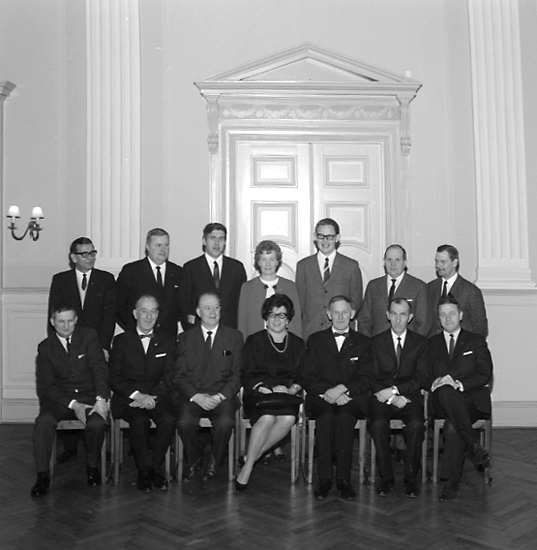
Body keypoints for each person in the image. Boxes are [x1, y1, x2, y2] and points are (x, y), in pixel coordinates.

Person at [47, 237, 115, 463]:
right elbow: (54, 315)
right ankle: (70, 448)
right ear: (73, 257)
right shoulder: (61, 280)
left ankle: (98, 447)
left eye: (92, 253)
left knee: (95, 388)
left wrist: (103, 346)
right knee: (69, 387)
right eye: (84, 254)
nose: (89, 257)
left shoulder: (106, 279)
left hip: (96, 346)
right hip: (68, 344)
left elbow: (109, 317)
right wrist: (58, 347)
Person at [31, 305, 109, 497]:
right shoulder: (45, 347)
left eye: (70, 321)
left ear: (76, 320)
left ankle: (92, 467)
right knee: (43, 422)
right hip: (60, 401)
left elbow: (99, 369)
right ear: (52, 322)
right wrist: (74, 405)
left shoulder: (89, 336)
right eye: (61, 321)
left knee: (97, 423)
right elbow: (46, 387)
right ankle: (42, 475)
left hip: (88, 396)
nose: (66, 326)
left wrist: (101, 398)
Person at [303, 295, 373, 501]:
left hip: (351, 399)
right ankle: (324, 479)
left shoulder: (364, 342)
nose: (340, 317)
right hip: (322, 397)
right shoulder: (315, 340)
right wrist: (329, 392)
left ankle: (344, 479)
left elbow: (367, 378)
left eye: (345, 312)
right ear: (329, 314)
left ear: (352, 314)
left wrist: (343, 390)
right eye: (336, 312)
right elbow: (308, 376)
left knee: (344, 418)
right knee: (325, 417)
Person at [235, 294, 305, 492]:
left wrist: (292, 389)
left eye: (282, 315)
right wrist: (263, 388)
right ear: (266, 318)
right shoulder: (254, 341)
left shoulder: (298, 344)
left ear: (288, 319)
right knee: (266, 418)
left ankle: (250, 459)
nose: (277, 319)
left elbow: (303, 375)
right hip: (259, 393)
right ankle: (248, 467)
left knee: (287, 419)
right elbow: (246, 373)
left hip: (286, 395)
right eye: (272, 315)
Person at [109, 295, 176, 492]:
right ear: (135, 314)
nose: (149, 316)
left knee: (169, 419)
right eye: (144, 311)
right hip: (128, 398)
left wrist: (152, 397)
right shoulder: (121, 341)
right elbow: (114, 378)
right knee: (139, 421)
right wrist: (137, 395)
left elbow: (169, 375)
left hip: (157, 396)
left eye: (153, 311)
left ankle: (155, 467)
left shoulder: (167, 340)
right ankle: (143, 471)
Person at [429, 295, 492, 502]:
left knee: (453, 426)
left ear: (461, 315)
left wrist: (459, 383)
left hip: (471, 401)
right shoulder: (430, 344)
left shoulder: (476, 340)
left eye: (452, 314)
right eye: (443, 315)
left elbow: (485, 373)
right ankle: (474, 445)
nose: (448, 319)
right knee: (446, 391)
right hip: (442, 401)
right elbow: (423, 375)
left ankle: (451, 481)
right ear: (438, 317)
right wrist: (439, 380)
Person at [174, 292, 242, 480]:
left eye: (216, 308)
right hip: (193, 395)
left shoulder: (234, 337)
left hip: (222, 396)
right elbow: (179, 376)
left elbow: (237, 375)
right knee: (184, 422)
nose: (213, 312)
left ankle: (214, 459)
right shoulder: (185, 338)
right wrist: (196, 397)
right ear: (198, 312)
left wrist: (219, 397)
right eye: (207, 308)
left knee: (225, 423)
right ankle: (194, 459)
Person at [369, 298, 429, 498]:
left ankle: (411, 478)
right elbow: (371, 377)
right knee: (378, 424)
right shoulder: (375, 342)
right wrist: (391, 398)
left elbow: (421, 377)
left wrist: (396, 390)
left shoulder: (420, 343)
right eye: (394, 314)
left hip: (409, 396)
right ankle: (386, 477)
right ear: (387, 315)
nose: (398, 319)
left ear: (410, 317)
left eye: (403, 314)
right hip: (381, 397)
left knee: (417, 425)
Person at [296, 218, 363, 340]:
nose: (325, 241)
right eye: (321, 236)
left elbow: (356, 301)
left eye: (330, 237)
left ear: (337, 238)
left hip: (342, 332)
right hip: (311, 331)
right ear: (315, 237)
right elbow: (300, 303)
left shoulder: (351, 266)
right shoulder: (303, 266)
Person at [116, 228, 183, 338]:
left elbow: (181, 307)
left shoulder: (178, 272)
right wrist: (133, 328)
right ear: (147, 247)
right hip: (137, 336)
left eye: (166, 245)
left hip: (168, 338)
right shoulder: (131, 271)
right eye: (158, 245)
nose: (163, 249)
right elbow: (119, 305)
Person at [179, 223, 247, 331]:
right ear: (204, 241)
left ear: (225, 242)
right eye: (212, 238)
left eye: (221, 238)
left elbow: (242, 304)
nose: (217, 243)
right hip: (199, 330)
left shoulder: (236, 268)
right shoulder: (191, 268)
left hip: (229, 330)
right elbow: (184, 304)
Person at [358, 244, 429, 337]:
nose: (393, 264)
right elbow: (364, 320)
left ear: (405, 263)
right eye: (389, 260)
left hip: (408, 344)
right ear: (384, 262)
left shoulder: (419, 287)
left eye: (397, 260)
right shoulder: (373, 286)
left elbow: (423, 324)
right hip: (377, 343)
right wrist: (369, 342)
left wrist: (412, 344)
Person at [238, 240, 302, 339]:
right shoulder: (247, 287)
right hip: (256, 342)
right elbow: (242, 322)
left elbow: (296, 320)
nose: (268, 264)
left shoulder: (290, 287)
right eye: (264, 259)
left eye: (272, 259)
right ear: (258, 262)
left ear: (277, 262)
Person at [428, 244, 488, 337]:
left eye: (443, 262)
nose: (438, 265)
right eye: (436, 261)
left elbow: (480, 328)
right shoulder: (430, 288)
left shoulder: (471, 291)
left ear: (455, 263)